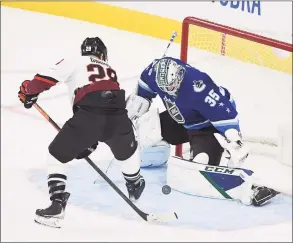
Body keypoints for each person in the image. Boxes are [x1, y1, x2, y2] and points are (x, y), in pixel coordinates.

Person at [18, 37, 145, 228]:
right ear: (102, 54)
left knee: (57, 156)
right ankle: (134, 182)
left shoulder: (76, 61)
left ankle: (57, 205)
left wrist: (28, 90)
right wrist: (90, 142)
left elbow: (43, 80)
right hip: (119, 116)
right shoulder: (110, 70)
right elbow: (106, 109)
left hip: (89, 118)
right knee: (127, 152)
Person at [126, 56, 278, 206]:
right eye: (165, 88)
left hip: (207, 127)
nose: (169, 91)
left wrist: (234, 140)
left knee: (200, 168)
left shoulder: (199, 87)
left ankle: (244, 187)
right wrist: (134, 109)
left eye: (171, 87)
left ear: (179, 75)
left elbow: (225, 114)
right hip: (181, 118)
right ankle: (158, 158)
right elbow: (142, 93)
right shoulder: (154, 72)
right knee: (144, 131)